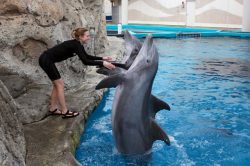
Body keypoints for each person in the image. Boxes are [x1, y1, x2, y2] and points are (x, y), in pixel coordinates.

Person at [39, 28, 116, 118]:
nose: (89, 38)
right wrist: (103, 63)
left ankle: (53, 108)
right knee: (60, 84)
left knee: (57, 85)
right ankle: (65, 111)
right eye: (87, 36)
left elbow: (86, 56)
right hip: (46, 60)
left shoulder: (77, 44)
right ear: (80, 37)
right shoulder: (76, 45)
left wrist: (102, 58)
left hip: (46, 59)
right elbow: (85, 61)